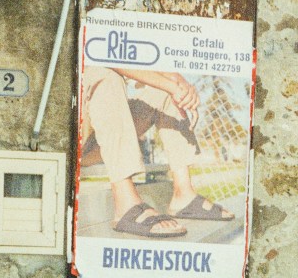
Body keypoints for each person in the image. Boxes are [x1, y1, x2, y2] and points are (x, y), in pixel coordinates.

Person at [82, 67, 235, 238]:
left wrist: (177, 82)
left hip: (99, 137)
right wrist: (171, 84)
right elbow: (106, 58)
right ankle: (125, 203)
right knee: (103, 73)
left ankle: (184, 195)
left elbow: (137, 70)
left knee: (165, 90)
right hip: (73, 139)